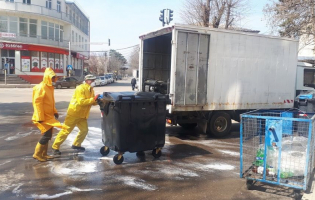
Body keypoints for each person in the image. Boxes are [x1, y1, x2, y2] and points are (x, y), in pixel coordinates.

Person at [52, 74, 100, 155]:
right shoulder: (80, 88)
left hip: (83, 115)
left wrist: (98, 101)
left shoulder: (91, 89)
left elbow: (90, 101)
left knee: (84, 130)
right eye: (92, 80)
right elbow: (81, 102)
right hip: (74, 113)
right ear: (87, 80)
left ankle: (76, 144)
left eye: (94, 80)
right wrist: (93, 99)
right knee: (66, 131)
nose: (93, 82)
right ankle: (55, 147)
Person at [32, 68, 64, 162]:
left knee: (48, 135)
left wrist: (55, 111)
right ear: (47, 77)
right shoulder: (40, 87)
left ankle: (44, 154)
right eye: (52, 77)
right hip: (42, 117)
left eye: (54, 77)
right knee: (46, 135)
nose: (54, 79)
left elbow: (50, 102)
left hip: (48, 116)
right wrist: (39, 117)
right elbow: (37, 103)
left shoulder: (49, 88)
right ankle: (37, 154)